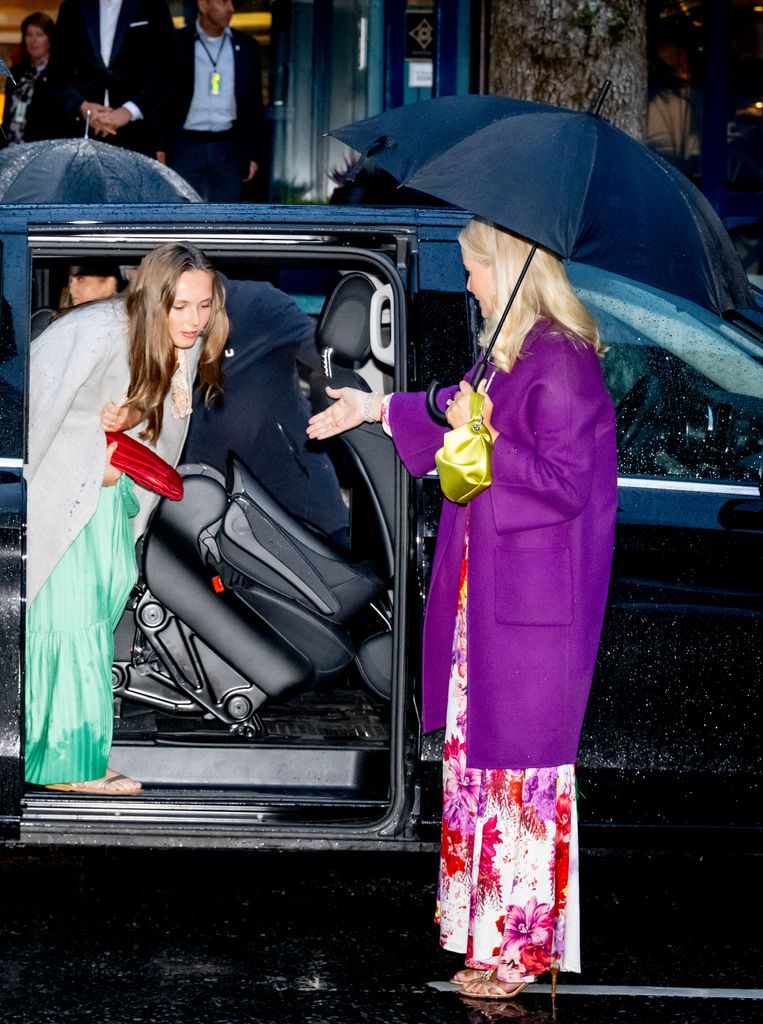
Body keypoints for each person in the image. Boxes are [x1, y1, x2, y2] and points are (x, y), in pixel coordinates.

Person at [307, 219, 618, 1001]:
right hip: (488, 605)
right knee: (480, 777)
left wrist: (481, 442)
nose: (469, 283)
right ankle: (487, 940)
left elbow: (564, 482)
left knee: (521, 783)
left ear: (507, 266)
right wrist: (377, 411)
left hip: (532, 612)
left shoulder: (563, 361)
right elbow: (458, 403)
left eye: (474, 268)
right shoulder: (508, 350)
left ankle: (521, 950)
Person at [25, 242, 228, 796]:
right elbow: (29, 410)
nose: (193, 320)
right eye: (180, 306)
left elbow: (144, 404)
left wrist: (131, 414)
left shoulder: (178, 341)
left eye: (204, 306)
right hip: (59, 501)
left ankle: (74, 755)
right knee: (67, 628)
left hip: (110, 504)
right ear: (152, 297)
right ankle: (67, 767)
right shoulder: (95, 330)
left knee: (90, 627)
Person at [183, 276, 348, 541]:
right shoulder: (143, 321)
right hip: (209, 507)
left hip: (297, 498)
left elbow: (329, 358)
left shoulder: (257, 304)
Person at [162, 0, 265, 202]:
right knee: (182, 213)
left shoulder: (246, 46)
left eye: (232, 2)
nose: (231, 9)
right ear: (202, 5)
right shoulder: (177, 42)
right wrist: (160, 147)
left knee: (227, 217)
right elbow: (161, 98)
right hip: (184, 144)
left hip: (228, 145)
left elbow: (254, 104)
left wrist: (254, 153)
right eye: (222, 2)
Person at [52, 0, 176, 156]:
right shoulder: (73, 7)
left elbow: (167, 72)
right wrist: (82, 107)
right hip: (82, 131)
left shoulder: (152, 5)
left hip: (136, 131)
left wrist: (128, 111)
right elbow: (57, 73)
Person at [0, 12, 58, 147]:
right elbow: (8, 116)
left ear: (50, 39)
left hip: (42, 151)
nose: (34, 40)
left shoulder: (59, 76)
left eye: (39, 34)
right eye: (29, 34)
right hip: (11, 148)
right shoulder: (15, 72)